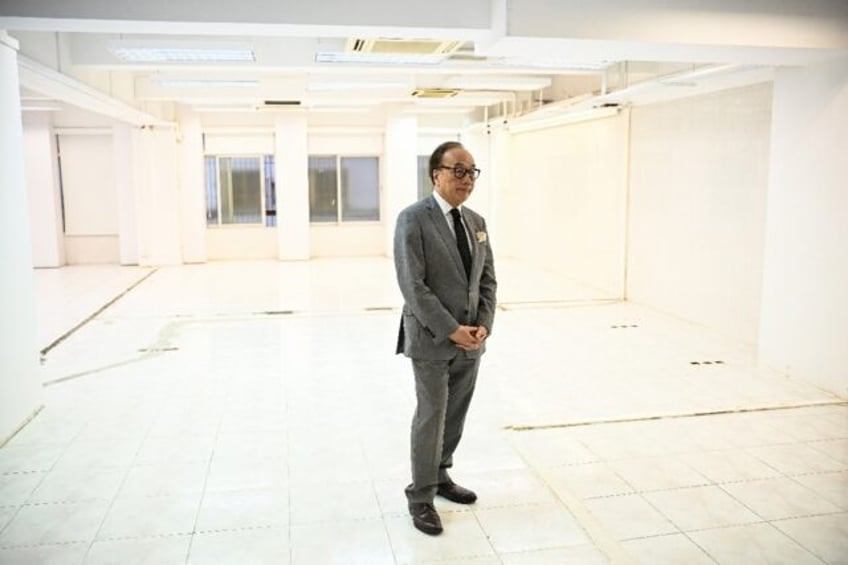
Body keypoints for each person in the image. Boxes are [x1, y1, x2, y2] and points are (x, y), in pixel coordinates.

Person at [393, 141, 497, 535]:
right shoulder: (413, 219)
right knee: (431, 416)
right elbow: (413, 286)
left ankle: (440, 475)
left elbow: (487, 279)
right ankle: (420, 496)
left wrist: (483, 324)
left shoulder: (477, 222)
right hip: (433, 339)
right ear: (436, 173)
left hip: (472, 340)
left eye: (471, 171)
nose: (466, 179)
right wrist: (452, 329)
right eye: (458, 170)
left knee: (455, 414)